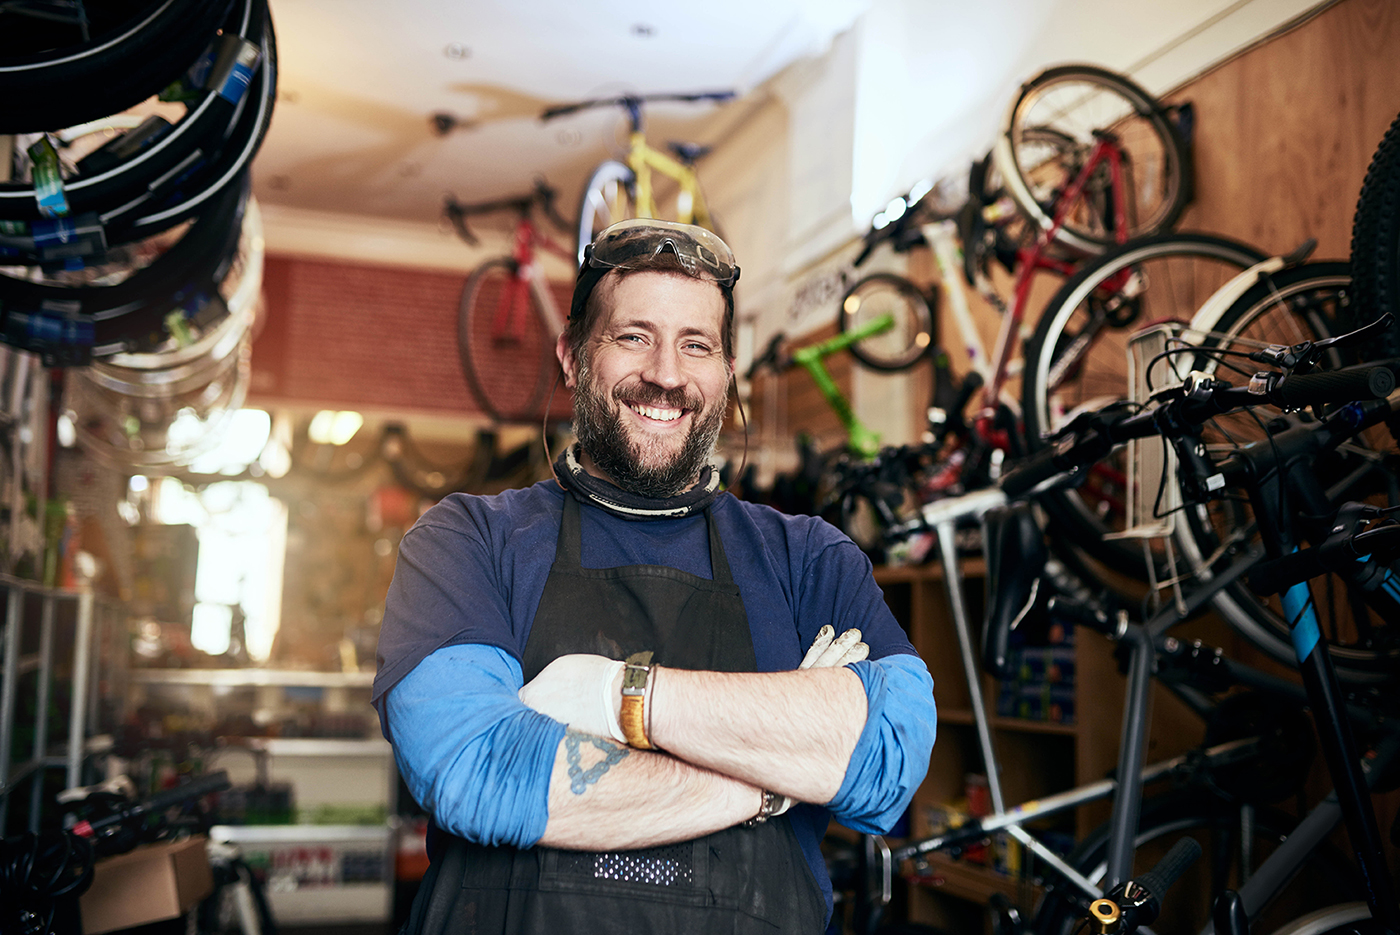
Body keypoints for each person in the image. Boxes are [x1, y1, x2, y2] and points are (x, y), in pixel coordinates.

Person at [372, 218, 937, 935]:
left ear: (727, 371)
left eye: (696, 344)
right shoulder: (467, 543)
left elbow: (889, 757)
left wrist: (619, 697)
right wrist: (779, 778)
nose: (667, 373)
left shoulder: (809, 561)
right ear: (574, 357)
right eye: (634, 335)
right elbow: (479, 772)